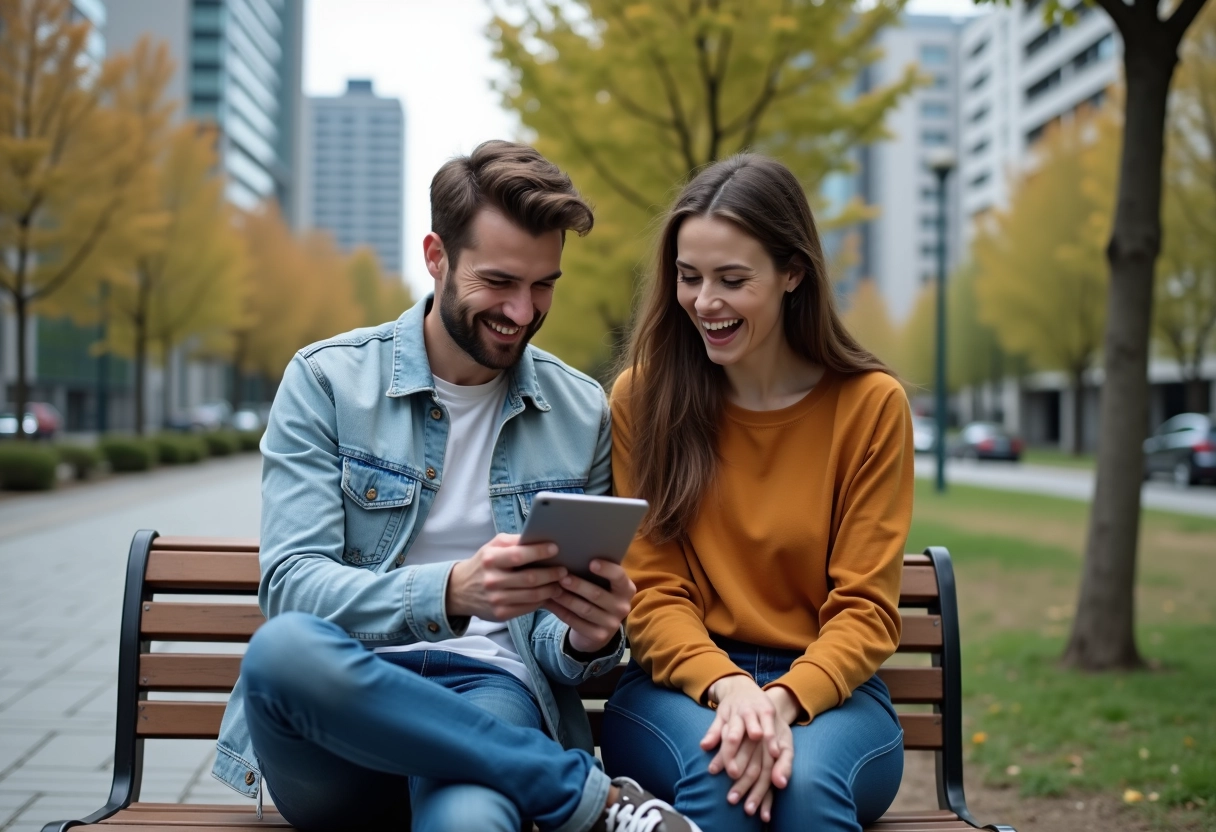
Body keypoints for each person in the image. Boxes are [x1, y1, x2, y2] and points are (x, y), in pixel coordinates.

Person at [210, 141, 700, 832]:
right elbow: (291, 586)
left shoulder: (582, 410)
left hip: (487, 697)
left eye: (544, 285)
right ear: (436, 257)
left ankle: (561, 790)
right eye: (499, 281)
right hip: (342, 713)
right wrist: (450, 592)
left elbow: (560, 654)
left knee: (471, 823)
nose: (524, 312)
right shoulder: (327, 383)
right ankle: (588, 800)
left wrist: (589, 639)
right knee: (281, 651)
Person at [602, 153, 914, 832]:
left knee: (799, 786)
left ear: (792, 273)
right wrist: (731, 686)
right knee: (724, 783)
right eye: (689, 278)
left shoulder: (869, 406)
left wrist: (781, 700)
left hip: (832, 696)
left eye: (732, 280)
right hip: (677, 688)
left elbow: (865, 607)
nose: (705, 302)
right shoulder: (642, 399)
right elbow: (652, 593)